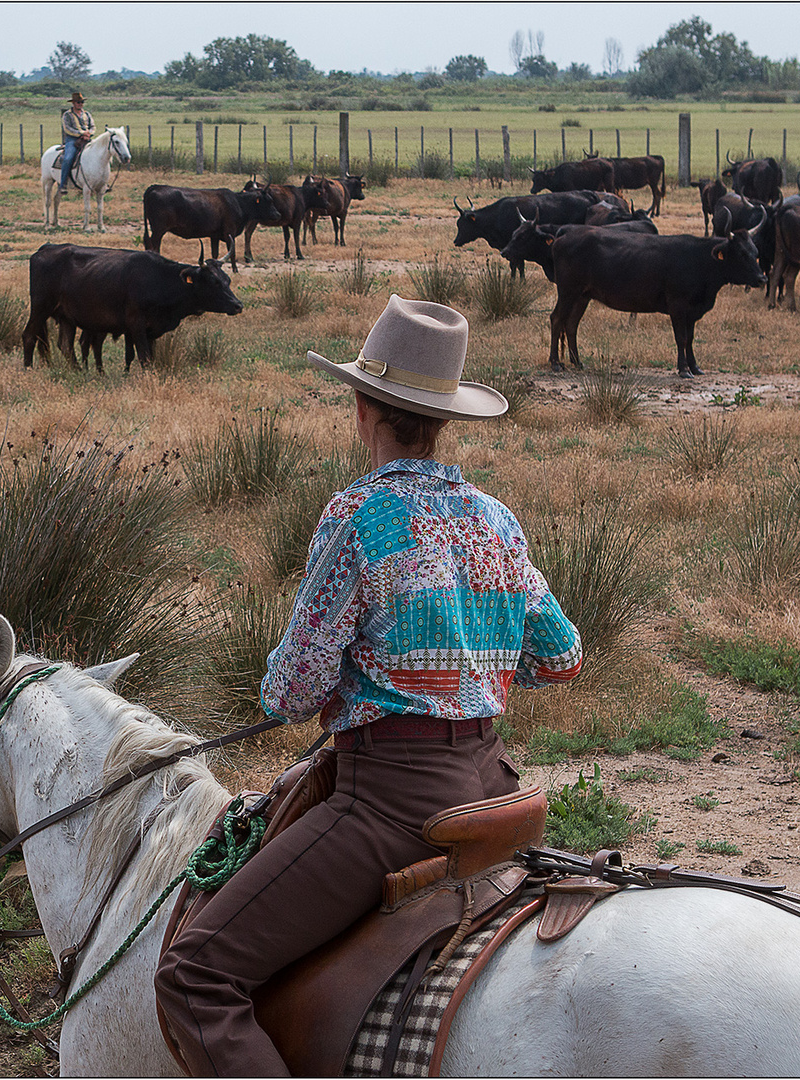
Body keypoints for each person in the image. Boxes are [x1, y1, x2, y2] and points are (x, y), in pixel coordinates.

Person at [155, 295, 584, 1076]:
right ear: (444, 417)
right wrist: (474, 659)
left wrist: (308, 684)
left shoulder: (359, 515)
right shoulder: (495, 519)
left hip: (390, 803)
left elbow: (291, 691)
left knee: (194, 973)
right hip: (490, 785)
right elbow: (560, 657)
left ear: (361, 409)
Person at [57, 90, 94, 192]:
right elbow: (67, 128)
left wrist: (89, 133)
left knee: (98, 154)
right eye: (78, 102)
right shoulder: (67, 115)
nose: (80, 104)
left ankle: (101, 182)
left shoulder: (87, 114)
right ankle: (63, 183)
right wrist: (81, 134)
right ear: (73, 103)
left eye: (82, 102)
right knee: (68, 158)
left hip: (87, 138)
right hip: (72, 140)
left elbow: (93, 126)